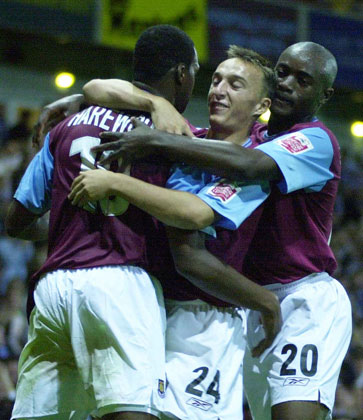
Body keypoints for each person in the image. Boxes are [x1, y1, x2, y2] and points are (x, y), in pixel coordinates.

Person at [76, 41, 353, 420]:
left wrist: (157, 140)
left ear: (324, 94)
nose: (287, 83)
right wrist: (150, 105)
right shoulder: (210, 143)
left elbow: (248, 166)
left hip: (301, 298)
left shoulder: (313, 140)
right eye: (283, 73)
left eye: (302, 80)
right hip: (248, 302)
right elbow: (94, 88)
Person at [36, 46, 282, 420]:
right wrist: (142, 102)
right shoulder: (187, 139)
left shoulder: (258, 157)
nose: (219, 90)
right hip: (147, 309)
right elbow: (98, 86)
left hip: (206, 321)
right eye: (216, 79)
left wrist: (266, 302)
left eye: (235, 84)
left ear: (260, 105)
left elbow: (193, 222)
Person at [5, 24, 208, 420]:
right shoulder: (173, 135)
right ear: (182, 74)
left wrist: (71, 218)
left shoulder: (64, 127)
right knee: (132, 412)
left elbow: (17, 219)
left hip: (54, 288)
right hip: (122, 284)